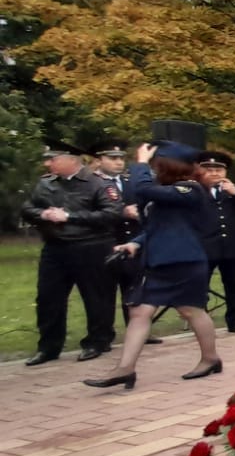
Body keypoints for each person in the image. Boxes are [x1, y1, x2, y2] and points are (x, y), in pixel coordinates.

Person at [85, 142, 222, 389]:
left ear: (170, 166)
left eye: (157, 165)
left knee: (190, 310)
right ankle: (125, 369)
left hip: (184, 262)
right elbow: (158, 227)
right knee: (139, 311)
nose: (154, 169)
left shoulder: (190, 189)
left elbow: (142, 190)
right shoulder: (165, 190)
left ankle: (210, 358)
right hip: (158, 262)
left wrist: (139, 164)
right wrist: (135, 243)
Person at [21, 140, 122, 364]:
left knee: (97, 297)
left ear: (71, 160)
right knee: (48, 298)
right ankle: (49, 347)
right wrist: (43, 214)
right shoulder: (46, 184)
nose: (48, 164)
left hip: (91, 247)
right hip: (55, 248)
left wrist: (70, 217)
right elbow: (27, 208)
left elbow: (112, 214)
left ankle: (98, 341)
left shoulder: (97, 183)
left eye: (53, 159)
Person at [90, 140, 163, 346]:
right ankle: (101, 338)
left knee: (134, 291)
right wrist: (121, 212)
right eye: (112, 159)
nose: (118, 163)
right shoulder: (90, 183)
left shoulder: (131, 181)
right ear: (98, 161)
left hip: (133, 243)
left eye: (121, 158)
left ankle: (138, 332)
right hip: (106, 242)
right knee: (103, 294)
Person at [195, 150, 235, 333]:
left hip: (231, 246)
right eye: (209, 169)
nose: (214, 173)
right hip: (204, 246)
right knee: (200, 286)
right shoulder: (194, 190)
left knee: (233, 286)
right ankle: (201, 322)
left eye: (219, 170)